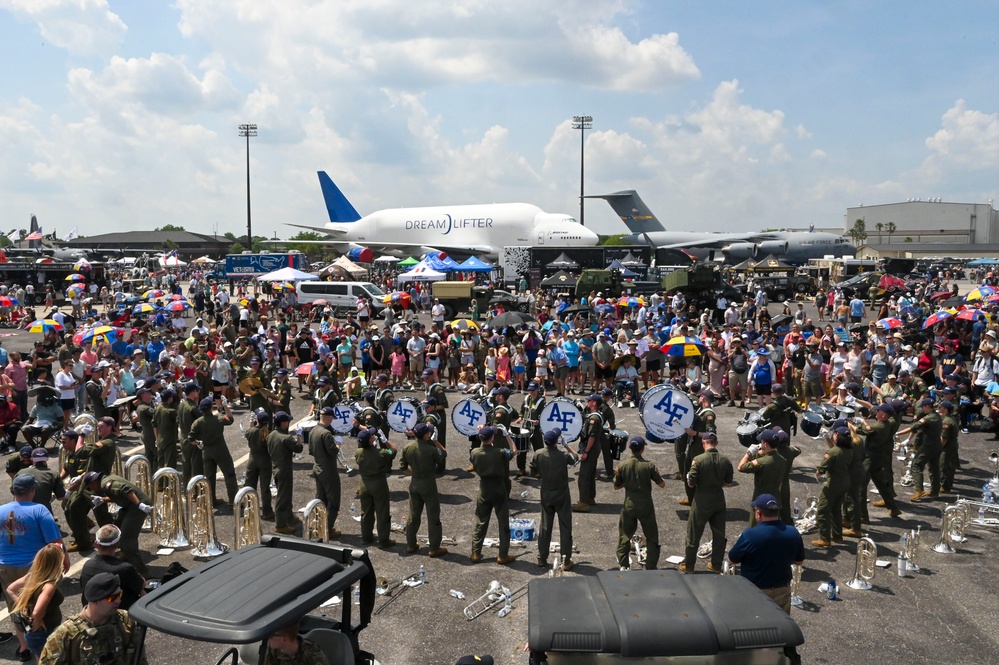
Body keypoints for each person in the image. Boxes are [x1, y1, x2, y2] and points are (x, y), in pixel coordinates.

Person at [727, 494, 804, 665]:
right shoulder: (793, 533)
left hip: (754, 593)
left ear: (759, 514)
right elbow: (799, 561)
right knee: (781, 632)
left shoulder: (750, 535)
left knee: (754, 632)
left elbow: (732, 559)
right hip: (782, 590)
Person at [0, 475, 69, 661]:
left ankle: (24, 647)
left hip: (6, 565)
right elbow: (55, 542)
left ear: (13, 491)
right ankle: (45, 641)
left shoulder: (0, 511)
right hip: (36, 568)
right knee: (44, 603)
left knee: (16, 605)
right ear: (33, 490)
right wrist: (65, 558)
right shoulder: (40, 510)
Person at [38, 573, 147, 665]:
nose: (118, 600)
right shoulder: (65, 634)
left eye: (119, 594)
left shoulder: (126, 620)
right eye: (112, 597)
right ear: (95, 601)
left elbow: (140, 657)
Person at [681, 431, 734, 573]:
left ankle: (689, 565)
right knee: (719, 534)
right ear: (716, 443)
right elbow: (728, 483)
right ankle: (716, 565)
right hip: (718, 498)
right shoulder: (726, 460)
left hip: (701, 499)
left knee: (694, 533)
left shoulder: (698, 460)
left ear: (703, 442)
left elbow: (691, 483)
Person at [83, 472, 153, 578]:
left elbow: (126, 490)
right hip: (129, 505)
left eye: (90, 487)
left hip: (136, 506)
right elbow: (118, 495)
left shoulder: (105, 484)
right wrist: (103, 500)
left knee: (126, 541)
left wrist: (139, 504)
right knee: (117, 530)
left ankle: (142, 571)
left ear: (93, 483)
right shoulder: (107, 479)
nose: (92, 489)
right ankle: (127, 556)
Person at [613, 436, 665, 570]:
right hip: (646, 505)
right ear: (642, 449)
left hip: (629, 504)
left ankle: (623, 564)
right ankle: (651, 565)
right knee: (652, 536)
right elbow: (662, 484)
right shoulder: (649, 466)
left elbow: (616, 486)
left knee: (624, 536)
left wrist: (627, 480)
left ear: (630, 448)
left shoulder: (622, 466)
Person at [7, 544, 66, 659]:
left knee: (40, 658)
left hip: (34, 634)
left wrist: (23, 606)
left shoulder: (33, 576)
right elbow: (37, 612)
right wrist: (37, 621)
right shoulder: (49, 585)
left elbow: (11, 589)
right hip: (44, 632)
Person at [529, 429, 577, 570]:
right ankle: (566, 560)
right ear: (556, 441)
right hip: (562, 494)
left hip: (546, 493)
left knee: (545, 526)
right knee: (565, 526)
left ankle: (541, 558)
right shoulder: (563, 455)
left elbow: (533, 472)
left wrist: (544, 475)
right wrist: (567, 445)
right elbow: (576, 457)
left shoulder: (538, 454)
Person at [400, 422, 448, 557]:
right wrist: (436, 441)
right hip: (428, 484)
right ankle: (434, 548)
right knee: (433, 516)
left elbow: (402, 467)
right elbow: (443, 454)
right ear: (426, 434)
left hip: (415, 483)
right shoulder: (431, 449)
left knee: (413, 515)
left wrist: (414, 474)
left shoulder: (407, 447)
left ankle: (410, 544)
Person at [469, 425, 515, 564]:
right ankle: (503, 554)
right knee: (503, 522)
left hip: (484, 487)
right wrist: (508, 436)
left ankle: (476, 552)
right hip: (499, 487)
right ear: (492, 438)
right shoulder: (499, 452)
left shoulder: (475, 452)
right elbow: (514, 451)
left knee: (481, 521)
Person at [79, 526, 145, 611]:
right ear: (118, 544)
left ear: (96, 543)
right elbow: (141, 584)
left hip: (92, 613)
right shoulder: (125, 568)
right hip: (118, 615)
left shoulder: (87, 565)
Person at [188, 397, 238, 506]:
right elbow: (230, 419)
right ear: (211, 408)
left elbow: (190, 439)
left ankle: (211, 500)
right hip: (221, 450)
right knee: (229, 474)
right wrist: (225, 406)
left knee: (209, 477)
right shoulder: (218, 419)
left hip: (206, 451)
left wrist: (198, 443)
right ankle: (233, 499)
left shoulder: (198, 422)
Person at [811, 427, 853, 548]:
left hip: (833, 483)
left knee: (822, 510)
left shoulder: (832, 452)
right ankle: (837, 535)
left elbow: (822, 469)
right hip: (845, 482)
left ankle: (825, 539)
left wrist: (818, 473)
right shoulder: (848, 450)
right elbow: (836, 449)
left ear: (837, 436)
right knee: (836, 510)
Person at [354, 427, 397, 548]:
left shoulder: (358, 453)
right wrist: (385, 441)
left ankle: (366, 538)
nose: (374, 437)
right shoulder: (382, 453)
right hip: (379, 485)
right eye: (372, 436)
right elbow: (393, 451)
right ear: (369, 441)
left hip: (365, 485)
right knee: (382, 512)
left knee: (366, 512)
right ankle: (383, 540)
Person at [737, 429, 786, 526]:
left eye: (761, 442)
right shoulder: (783, 460)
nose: (760, 443)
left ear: (765, 444)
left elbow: (741, 467)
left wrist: (749, 453)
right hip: (775, 499)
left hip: (760, 501)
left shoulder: (762, 462)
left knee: (755, 526)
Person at [896, 397, 942, 501]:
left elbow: (913, 427)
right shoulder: (937, 416)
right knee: (934, 468)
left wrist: (898, 433)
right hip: (937, 445)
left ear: (927, 406)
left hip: (928, 446)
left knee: (916, 465)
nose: (922, 409)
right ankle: (935, 491)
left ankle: (919, 490)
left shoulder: (927, 418)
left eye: (923, 407)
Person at [268, 412, 305, 535]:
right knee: (283, 498)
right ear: (283, 423)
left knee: (286, 495)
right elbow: (298, 448)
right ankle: (281, 524)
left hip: (276, 468)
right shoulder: (286, 438)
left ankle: (289, 517)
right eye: (287, 421)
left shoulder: (271, 435)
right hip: (285, 470)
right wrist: (299, 437)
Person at [309, 407, 343, 538]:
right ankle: (327, 528)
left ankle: (317, 525)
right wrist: (338, 444)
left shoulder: (313, 431)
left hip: (317, 467)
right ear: (329, 417)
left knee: (320, 499)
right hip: (328, 470)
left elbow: (311, 451)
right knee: (333, 501)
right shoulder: (326, 434)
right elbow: (333, 452)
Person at [573, 395, 605, 512]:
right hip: (594, 447)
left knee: (584, 476)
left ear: (594, 403)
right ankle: (590, 497)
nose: (587, 402)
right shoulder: (595, 416)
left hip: (591, 448)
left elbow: (591, 436)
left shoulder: (594, 419)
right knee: (591, 474)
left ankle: (583, 502)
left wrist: (586, 451)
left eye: (589, 401)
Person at [244, 409, 275, 521]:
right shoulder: (268, 434)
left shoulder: (251, 432)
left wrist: (251, 422)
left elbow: (248, 432)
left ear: (258, 420)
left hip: (253, 459)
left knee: (249, 484)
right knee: (265, 487)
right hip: (265, 460)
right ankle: (267, 511)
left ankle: (248, 508)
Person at [21, 449, 66, 516]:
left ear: (32, 459)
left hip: (23, 512)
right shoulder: (53, 474)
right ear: (47, 459)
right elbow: (61, 497)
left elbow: (14, 491)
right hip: (44, 512)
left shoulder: (21, 473)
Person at [263, 620, 329, 665]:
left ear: (284, 639)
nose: (268, 639)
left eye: (271, 636)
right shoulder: (273, 651)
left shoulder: (313, 653)